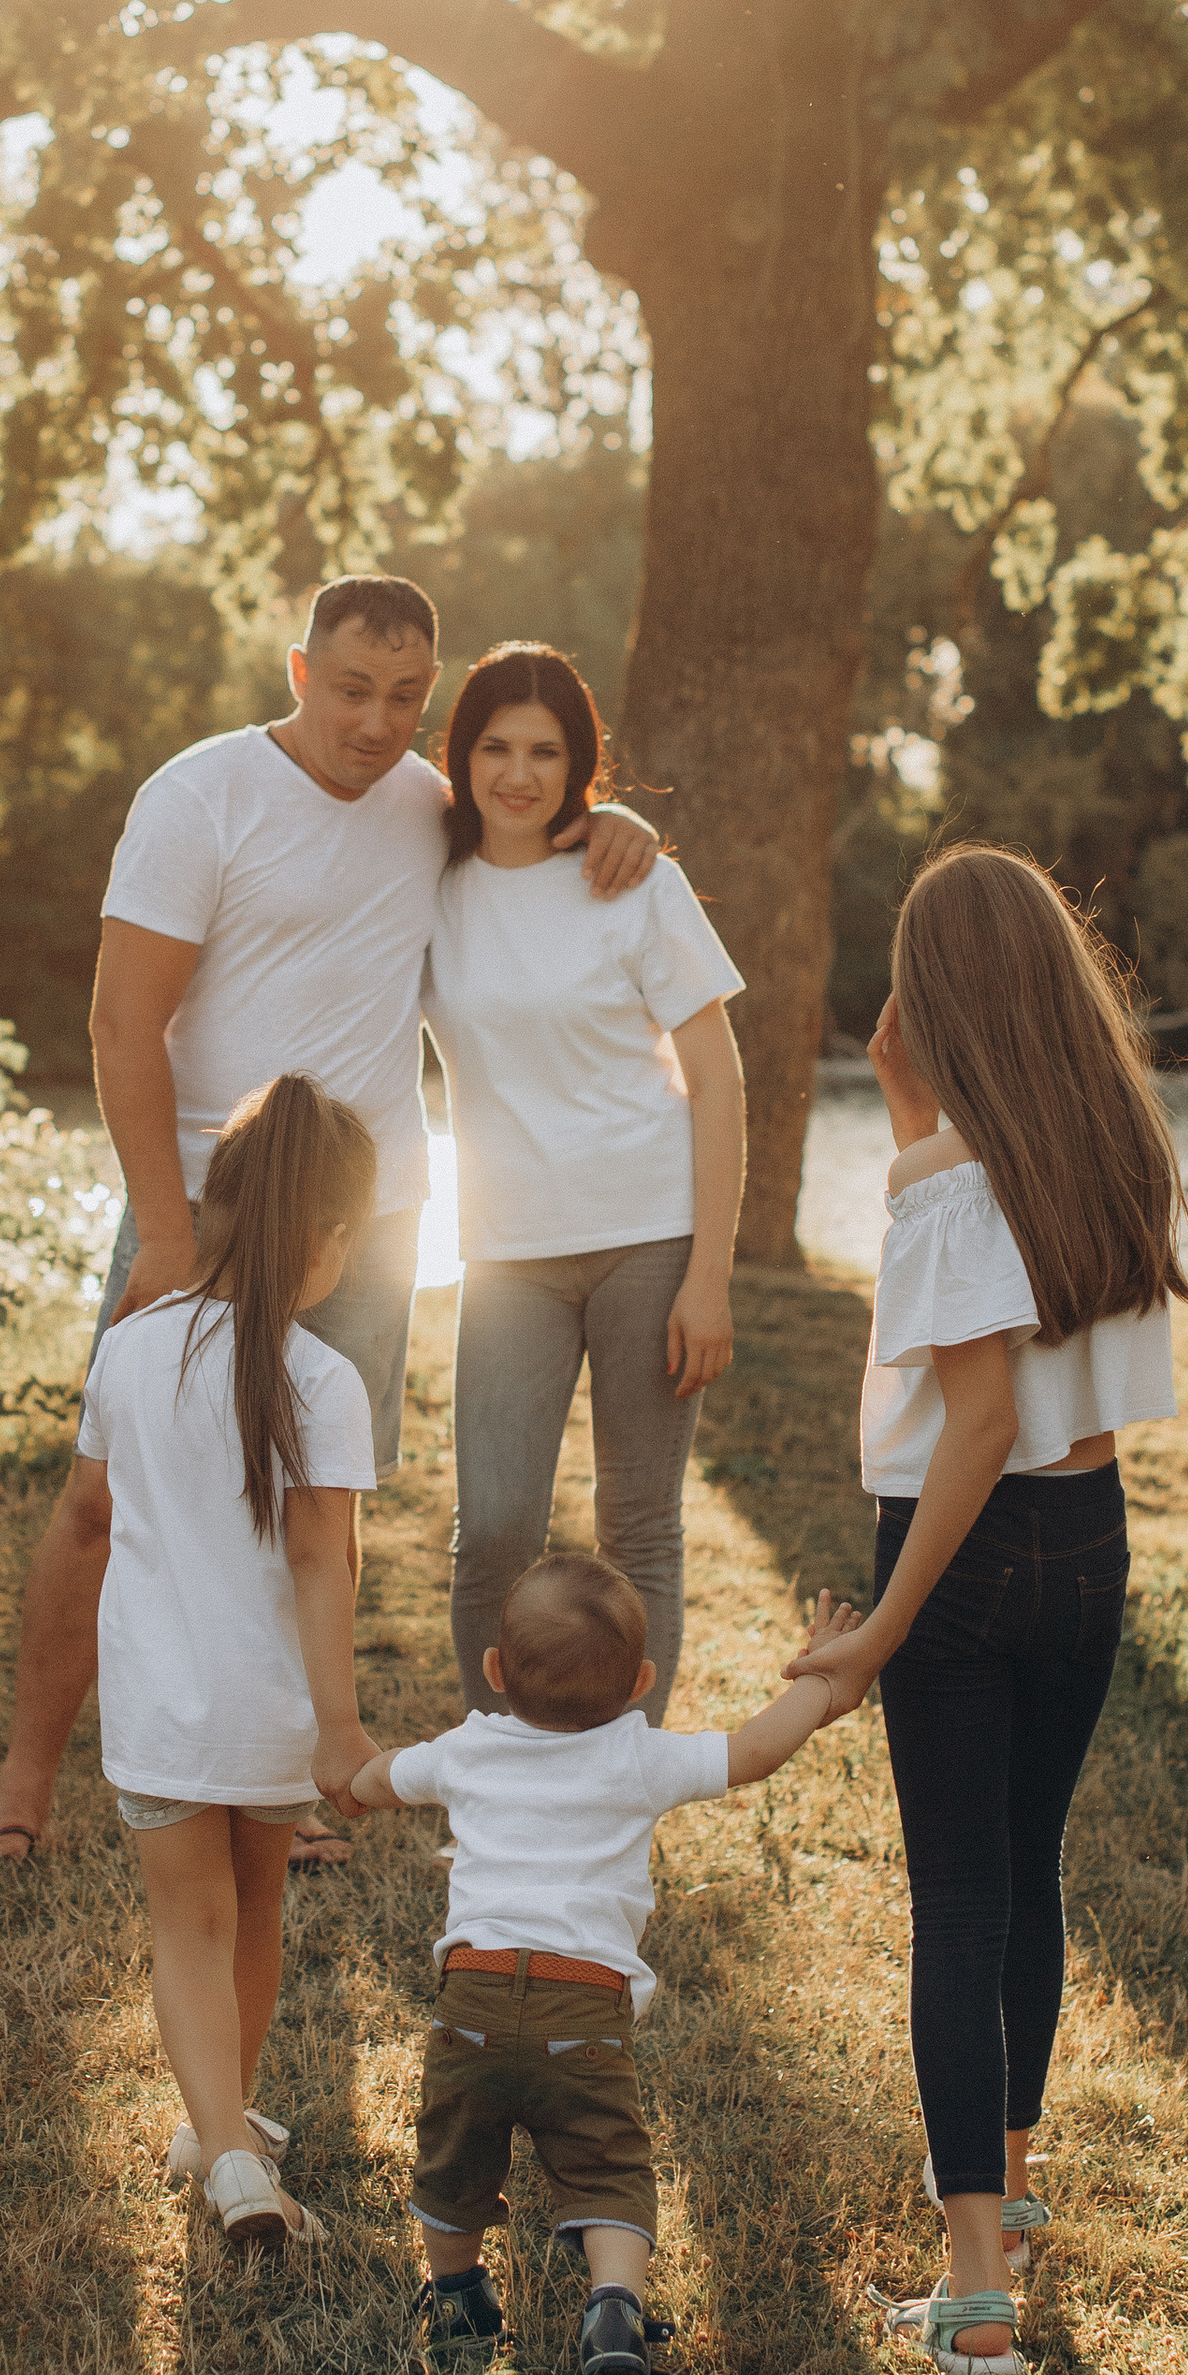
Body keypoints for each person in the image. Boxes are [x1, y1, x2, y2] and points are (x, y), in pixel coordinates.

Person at [0, 574, 655, 1868]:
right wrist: (167, 1230)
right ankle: (21, 1787)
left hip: (368, 1221)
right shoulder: (198, 797)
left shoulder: (430, 807)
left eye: (405, 697)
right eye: (351, 689)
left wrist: (621, 829)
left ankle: (286, 1782)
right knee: (103, 1499)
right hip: (201, 1208)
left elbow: (539, 825)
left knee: (317, 1508)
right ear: (298, 671)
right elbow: (120, 1025)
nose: (376, 722)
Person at [791, 847, 1188, 2375]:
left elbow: (975, 1420)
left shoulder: (947, 1179)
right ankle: (1009, 2188)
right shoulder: (1115, 1140)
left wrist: (883, 1626)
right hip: (1089, 1540)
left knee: (957, 1905)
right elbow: (1034, 1360)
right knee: (1027, 1873)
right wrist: (913, 1119)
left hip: (963, 1552)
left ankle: (974, 2293)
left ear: (934, 995)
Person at [333, 1552, 871, 2375]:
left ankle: (457, 2297)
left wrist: (352, 1786)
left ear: (494, 1670)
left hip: (472, 1996)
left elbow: (373, 1780)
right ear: (642, 1684)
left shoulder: (467, 1748)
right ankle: (614, 2305)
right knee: (608, 2163)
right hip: (584, 2005)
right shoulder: (638, 1756)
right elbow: (756, 1750)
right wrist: (820, 1681)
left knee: (452, 2155)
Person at [17, 1073, 384, 2249]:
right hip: (272, 1714)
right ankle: (224, 2138)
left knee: (189, 1925)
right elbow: (324, 1563)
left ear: (214, 1209)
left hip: (160, 1709)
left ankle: (220, 2139)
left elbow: (92, 1511)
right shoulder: (321, 1380)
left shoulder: (129, 1351)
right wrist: (340, 1726)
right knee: (256, 1911)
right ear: (329, 1240)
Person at [420, 642, 745, 1725]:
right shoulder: (428, 883)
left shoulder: (635, 882)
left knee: (637, 1527)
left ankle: (623, 1773)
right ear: (461, 756)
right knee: (494, 1529)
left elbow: (716, 1079)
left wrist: (709, 1275)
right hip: (506, 1250)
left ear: (579, 766)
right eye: (495, 748)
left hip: (648, 1237)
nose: (518, 774)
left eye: (545, 752)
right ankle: (496, 1770)